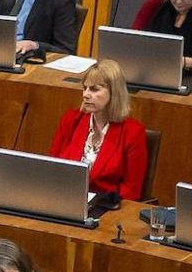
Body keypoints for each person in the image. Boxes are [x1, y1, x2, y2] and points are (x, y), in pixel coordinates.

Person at [48, 58, 149, 200]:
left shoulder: (133, 132)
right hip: (65, 199)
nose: (86, 95)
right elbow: (52, 169)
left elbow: (131, 191)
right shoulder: (71, 120)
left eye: (94, 89)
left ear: (114, 92)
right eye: (85, 88)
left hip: (105, 208)